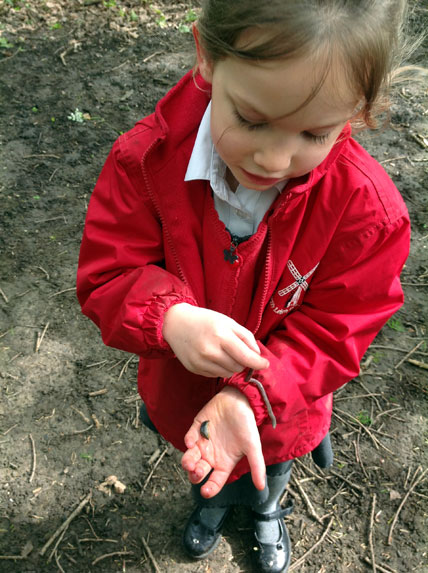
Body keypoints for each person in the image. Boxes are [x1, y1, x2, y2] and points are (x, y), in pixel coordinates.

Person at [76, 1, 414, 571]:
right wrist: (169, 317)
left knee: (267, 468)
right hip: (183, 390)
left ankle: (267, 512)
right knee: (204, 464)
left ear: (358, 111)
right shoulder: (146, 162)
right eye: (252, 119)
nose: (275, 157)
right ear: (206, 58)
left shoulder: (365, 211)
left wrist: (252, 394)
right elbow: (108, 272)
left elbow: (338, 328)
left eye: (314, 133)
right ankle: (206, 509)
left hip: (281, 404)